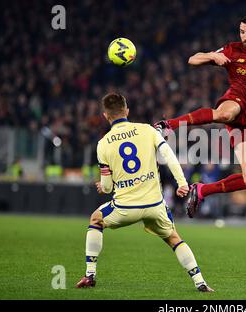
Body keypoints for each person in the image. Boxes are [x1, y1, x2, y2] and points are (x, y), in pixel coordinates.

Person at [155, 12, 246, 217]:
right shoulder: (232, 49)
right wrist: (212, 55)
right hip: (235, 98)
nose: (244, 36)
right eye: (242, 32)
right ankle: (168, 125)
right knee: (226, 114)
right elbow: (193, 59)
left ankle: (201, 190)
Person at [76, 93, 214, 292]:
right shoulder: (147, 130)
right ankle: (200, 282)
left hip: (125, 208)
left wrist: (102, 186)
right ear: (127, 111)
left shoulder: (103, 144)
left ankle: (90, 275)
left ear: (106, 115)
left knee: (96, 219)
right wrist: (182, 183)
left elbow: (107, 187)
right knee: (174, 238)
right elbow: (168, 155)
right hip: (154, 206)